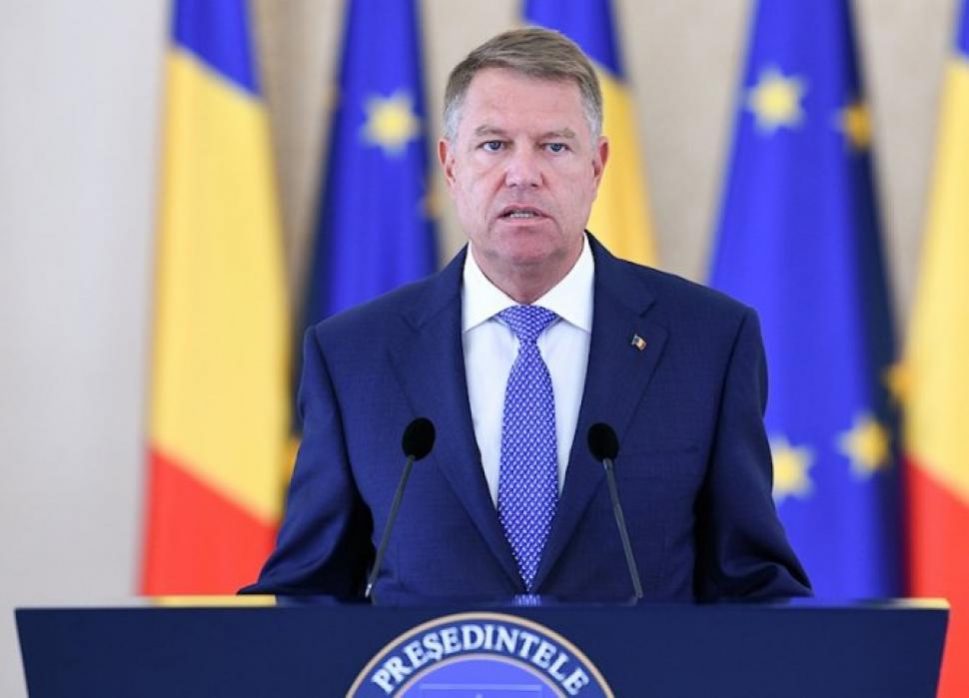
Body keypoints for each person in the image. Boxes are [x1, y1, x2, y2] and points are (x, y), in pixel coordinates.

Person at [243, 28, 810, 602]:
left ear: (597, 167)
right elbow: (307, 596)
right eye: (493, 145)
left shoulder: (708, 343)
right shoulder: (354, 357)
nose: (522, 173)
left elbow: (752, 588)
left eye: (554, 147)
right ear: (450, 165)